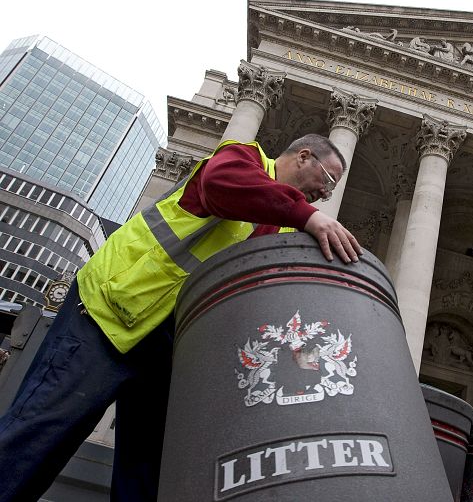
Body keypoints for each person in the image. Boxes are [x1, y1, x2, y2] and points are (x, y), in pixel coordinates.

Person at [0, 134, 362, 502]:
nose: (325, 194)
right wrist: (308, 217)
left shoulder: (282, 230)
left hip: (171, 352)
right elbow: (223, 185)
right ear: (304, 156)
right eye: (328, 180)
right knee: (39, 439)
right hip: (108, 315)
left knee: (148, 477)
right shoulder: (243, 158)